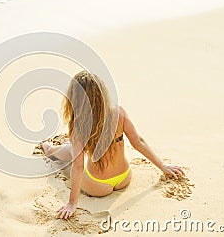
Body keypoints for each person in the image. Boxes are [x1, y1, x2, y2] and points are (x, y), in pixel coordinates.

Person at [42, 71, 184, 220]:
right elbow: (138, 142)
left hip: (98, 186)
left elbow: (78, 167)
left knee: (73, 150)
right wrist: (163, 166)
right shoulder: (118, 113)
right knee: (79, 149)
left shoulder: (80, 127)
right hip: (124, 178)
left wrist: (72, 203)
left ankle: (50, 150)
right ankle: (53, 149)